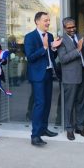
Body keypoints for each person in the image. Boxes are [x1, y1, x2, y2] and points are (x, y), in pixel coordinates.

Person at [24, 12, 62, 146]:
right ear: (37, 21)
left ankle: (44, 129)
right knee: (39, 104)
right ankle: (35, 135)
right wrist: (45, 47)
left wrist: (53, 47)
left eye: (48, 20)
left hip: (48, 74)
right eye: (45, 20)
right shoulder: (30, 37)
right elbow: (30, 57)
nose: (48, 23)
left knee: (46, 104)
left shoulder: (49, 35)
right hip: (37, 75)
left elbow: (51, 55)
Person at [58, 17, 84, 140]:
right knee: (69, 104)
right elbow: (63, 59)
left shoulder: (80, 36)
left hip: (83, 74)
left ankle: (80, 127)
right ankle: (69, 129)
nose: (72, 29)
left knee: (82, 103)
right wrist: (78, 50)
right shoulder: (61, 41)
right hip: (70, 77)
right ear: (64, 28)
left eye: (73, 26)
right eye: (69, 27)